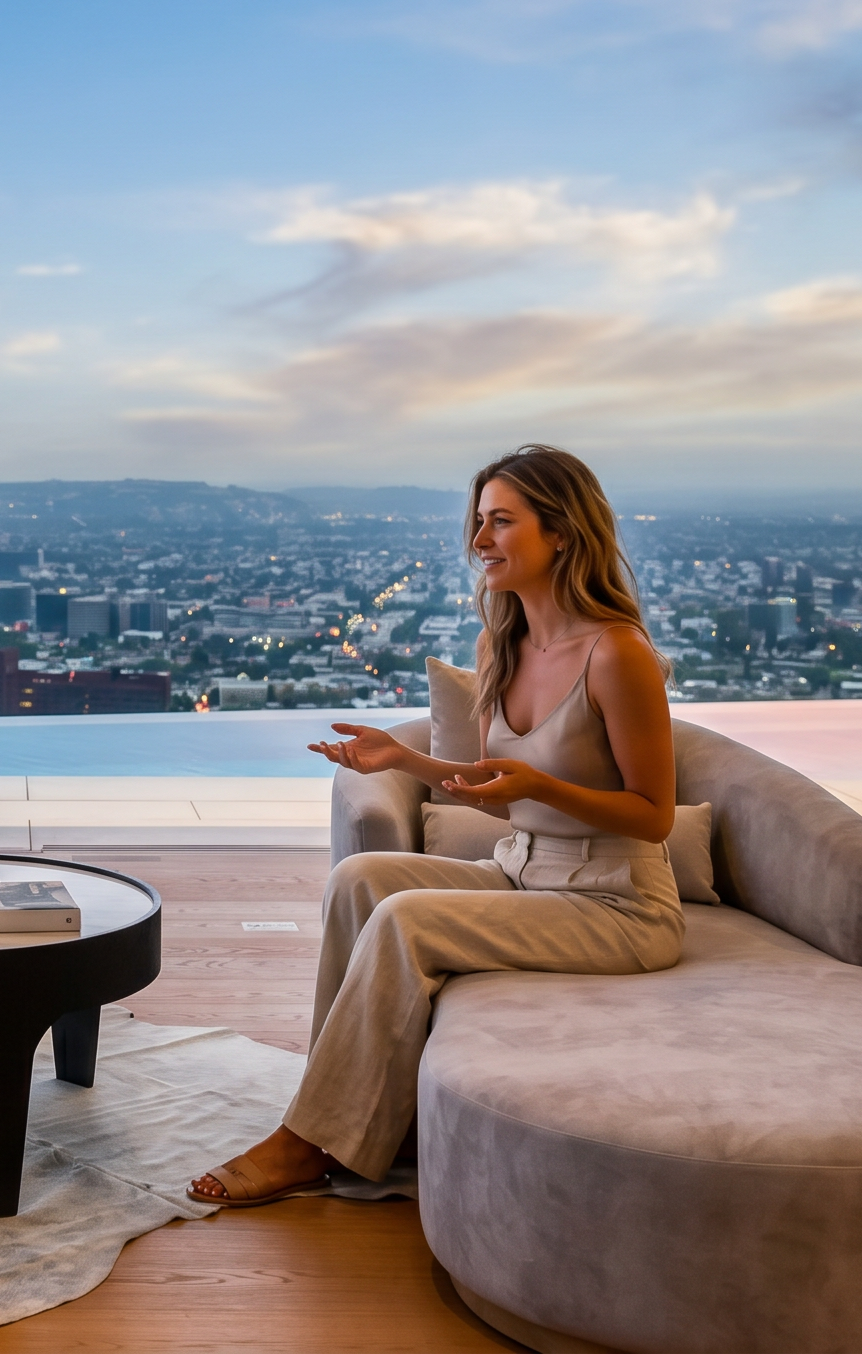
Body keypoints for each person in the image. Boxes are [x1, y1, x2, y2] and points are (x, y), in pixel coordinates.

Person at [188, 444, 683, 1207]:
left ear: (562, 532)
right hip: (524, 871)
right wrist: (401, 759)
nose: (478, 540)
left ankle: (306, 1144)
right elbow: (493, 795)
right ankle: (338, 1115)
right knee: (360, 880)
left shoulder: (618, 654)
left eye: (501, 522)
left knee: (406, 921)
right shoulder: (502, 644)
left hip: (619, 905)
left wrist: (545, 785)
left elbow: (653, 819)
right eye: (478, 521)